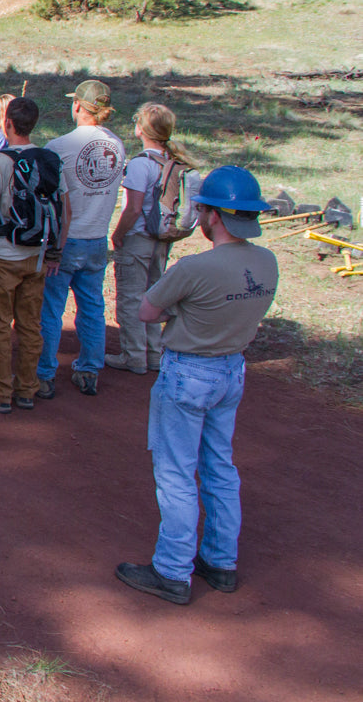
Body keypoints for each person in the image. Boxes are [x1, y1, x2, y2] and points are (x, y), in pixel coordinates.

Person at [115, 166, 277, 606]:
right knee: (220, 468)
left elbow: (147, 312)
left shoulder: (197, 267)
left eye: (203, 209)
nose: (200, 216)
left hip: (189, 373)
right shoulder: (267, 262)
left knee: (176, 473)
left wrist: (182, 315)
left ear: (215, 216)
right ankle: (221, 561)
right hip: (231, 370)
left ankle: (172, 570)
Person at [0, 97, 69, 414]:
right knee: (29, 325)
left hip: (2, 255)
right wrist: (55, 253)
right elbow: (66, 210)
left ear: (7, 123)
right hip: (36, 257)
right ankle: (26, 388)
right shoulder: (49, 160)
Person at [37, 79, 126, 398]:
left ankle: (44, 373)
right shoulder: (117, 144)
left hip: (66, 238)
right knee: (92, 307)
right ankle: (89, 370)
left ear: (77, 105)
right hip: (97, 236)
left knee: (51, 309)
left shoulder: (59, 146)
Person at [108, 103, 195, 375]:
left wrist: (118, 234)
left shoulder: (140, 164)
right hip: (162, 240)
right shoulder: (174, 162)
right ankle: (154, 355)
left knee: (131, 299)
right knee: (154, 296)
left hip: (137, 239)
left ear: (141, 129)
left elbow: (133, 208)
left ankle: (134, 356)